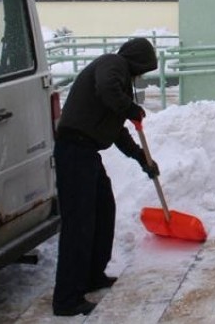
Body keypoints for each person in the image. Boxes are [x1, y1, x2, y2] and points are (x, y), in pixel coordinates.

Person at [51, 37, 160, 317]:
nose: (140, 75)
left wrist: (142, 160)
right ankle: (66, 299)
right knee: (79, 225)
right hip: (74, 149)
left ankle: (92, 276)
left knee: (103, 210)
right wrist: (130, 108)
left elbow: (117, 132)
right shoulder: (112, 65)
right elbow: (106, 89)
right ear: (135, 61)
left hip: (86, 152)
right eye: (142, 69)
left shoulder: (119, 80)